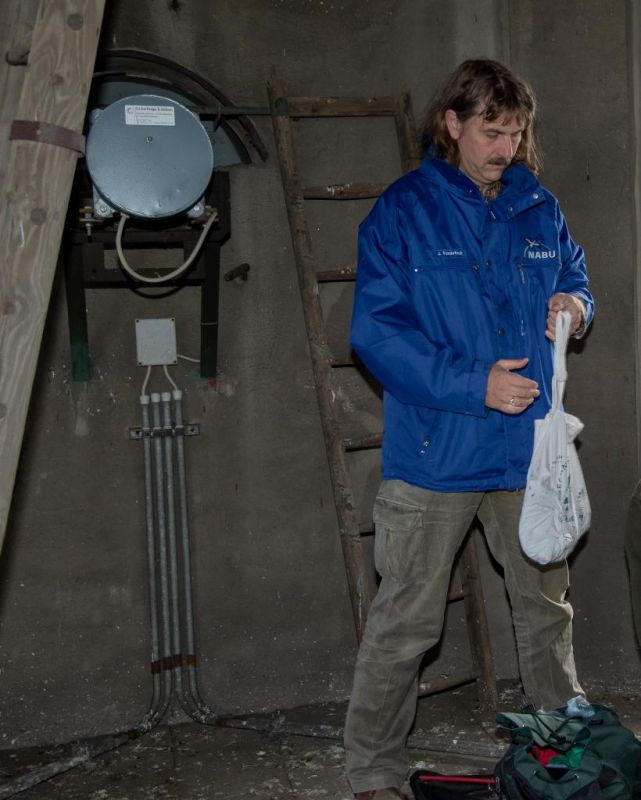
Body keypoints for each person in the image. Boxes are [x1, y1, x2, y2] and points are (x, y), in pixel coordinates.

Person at [344, 59, 594, 800]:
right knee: (405, 625)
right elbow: (377, 335)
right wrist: (472, 383)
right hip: (436, 452)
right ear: (450, 124)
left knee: (545, 616)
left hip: (527, 457)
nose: (504, 148)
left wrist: (575, 306)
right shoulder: (401, 212)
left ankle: (564, 760)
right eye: (491, 131)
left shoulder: (536, 206)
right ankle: (374, 770)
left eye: (515, 133)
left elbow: (575, 275)